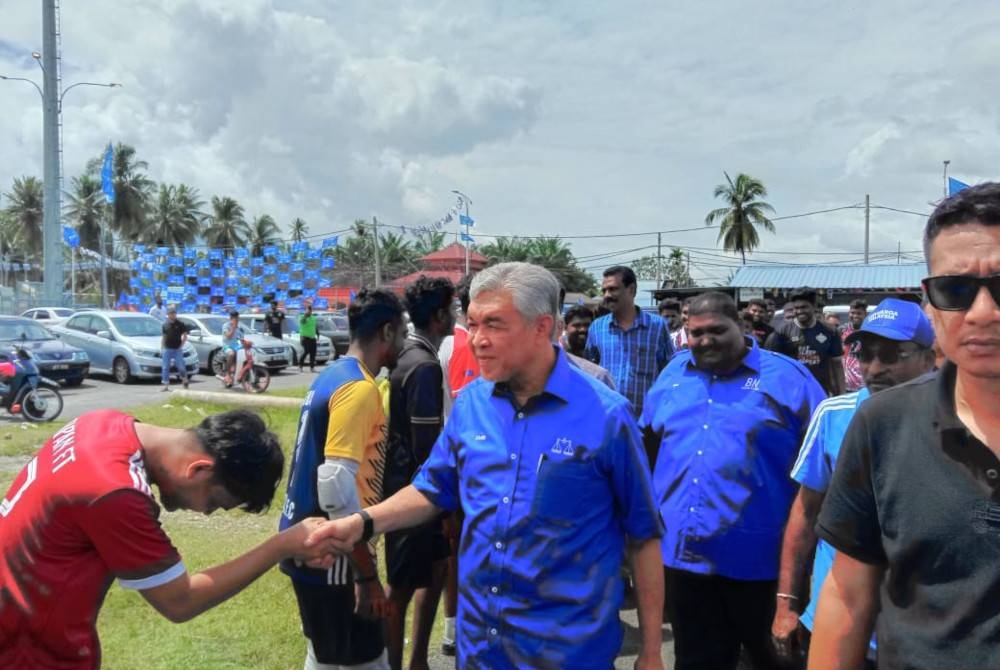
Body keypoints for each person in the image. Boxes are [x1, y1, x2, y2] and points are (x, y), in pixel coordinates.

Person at [307, 262, 666, 669]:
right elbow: (432, 488)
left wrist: (651, 651)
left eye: (494, 325)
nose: (477, 340)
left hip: (566, 651)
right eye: (472, 323)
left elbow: (643, 537)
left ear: (541, 327)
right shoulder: (472, 403)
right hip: (481, 649)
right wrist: (361, 523)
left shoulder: (607, 417)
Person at [808, 182, 1000, 670]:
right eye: (956, 290)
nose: (983, 313)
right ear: (930, 303)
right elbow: (848, 595)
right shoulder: (882, 424)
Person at [0, 409, 336, 669]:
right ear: (199, 470)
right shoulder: (116, 491)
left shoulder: (101, 423)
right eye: (215, 502)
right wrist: (282, 545)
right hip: (27, 651)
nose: (206, 513)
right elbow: (180, 601)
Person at [641, 291, 825, 670]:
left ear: (741, 325)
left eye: (716, 330)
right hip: (684, 561)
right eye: (695, 333)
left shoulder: (790, 380)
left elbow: (823, 469)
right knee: (696, 660)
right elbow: (649, 448)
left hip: (762, 565)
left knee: (773, 661)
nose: (705, 340)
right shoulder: (672, 375)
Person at [771, 299, 935, 668]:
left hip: (926, 637)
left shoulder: (962, 424)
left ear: (929, 358)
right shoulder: (834, 415)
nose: (874, 368)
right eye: (866, 354)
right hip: (839, 627)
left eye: (892, 355)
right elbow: (805, 513)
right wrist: (787, 603)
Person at [279, 289, 407, 670]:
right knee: (364, 660)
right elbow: (335, 486)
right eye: (401, 333)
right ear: (386, 331)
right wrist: (365, 573)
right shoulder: (359, 388)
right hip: (333, 553)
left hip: (310, 541)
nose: (403, 343)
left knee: (326, 656)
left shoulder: (332, 374)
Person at [382, 277, 455, 670]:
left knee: (436, 569)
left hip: (407, 487)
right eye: (454, 308)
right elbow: (425, 449)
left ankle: (416, 663)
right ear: (441, 315)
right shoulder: (424, 365)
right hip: (414, 494)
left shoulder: (409, 355)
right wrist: (438, 508)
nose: (457, 315)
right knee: (403, 585)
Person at [435, 274, 477, 656]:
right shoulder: (462, 345)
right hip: (466, 463)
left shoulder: (447, 344)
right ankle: (454, 630)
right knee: (462, 550)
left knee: (454, 551)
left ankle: (452, 629)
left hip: (450, 457)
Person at [585, 264, 673, 416]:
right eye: (604, 290)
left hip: (645, 422)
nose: (606, 295)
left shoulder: (657, 327)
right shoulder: (597, 328)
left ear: (631, 290)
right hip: (607, 419)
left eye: (613, 289)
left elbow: (669, 372)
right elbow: (589, 371)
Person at [765, 288, 845, 396]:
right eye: (796, 308)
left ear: (814, 306)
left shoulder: (830, 332)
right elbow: (772, 366)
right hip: (791, 393)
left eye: (804, 307)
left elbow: (837, 366)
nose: (799, 311)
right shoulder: (781, 332)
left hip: (820, 392)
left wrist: (841, 394)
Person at [561, 304, 616, 388]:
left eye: (587, 325)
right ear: (565, 328)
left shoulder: (599, 356)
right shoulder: (560, 356)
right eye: (577, 325)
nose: (583, 329)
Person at [839, 299, 868, 392]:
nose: (855, 316)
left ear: (865, 314)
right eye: (852, 313)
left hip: (865, 384)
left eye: (859, 313)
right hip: (845, 384)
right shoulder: (841, 330)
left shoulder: (870, 331)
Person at [160, 305, 190, 391]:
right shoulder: (165, 324)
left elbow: (185, 336)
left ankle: (184, 380)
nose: (173, 315)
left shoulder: (180, 324)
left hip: (177, 349)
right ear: (168, 314)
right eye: (171, 313)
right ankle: (165, 385)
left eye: (174, 313)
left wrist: (181, 346)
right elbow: (163, 336)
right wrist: (162, 347)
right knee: (165, 367)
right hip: (167, 348)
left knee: (181, 366)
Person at [221, 310, 244, 386]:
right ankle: (227, 374)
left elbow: (242, 338)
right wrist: (233, 327)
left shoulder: (240, 327)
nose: (236, 320)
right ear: (230, 318)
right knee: (231, 354)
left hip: (237, 346)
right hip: (227, 346)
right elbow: (228, 336)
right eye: (234, 318)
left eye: (237, 318)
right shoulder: (226, 326)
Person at [299, 303, 319, 372]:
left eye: (310, 310)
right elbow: (302, 322)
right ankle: (300, 366)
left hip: (312, 338)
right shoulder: (302, 317)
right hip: (305, 337)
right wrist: (305, 316)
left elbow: (314, 327)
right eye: (308, 310)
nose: (309, 311)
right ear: (305, 310)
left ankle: (312, 367)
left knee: (313, 352)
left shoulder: (313, 318)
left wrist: (317, 334)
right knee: (306, 351)